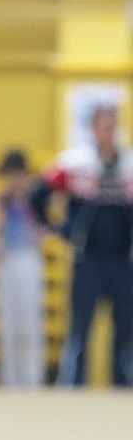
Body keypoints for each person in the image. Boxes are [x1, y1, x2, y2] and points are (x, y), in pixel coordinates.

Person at [32, 105, 133, 387]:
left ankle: (123, 385)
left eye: (112, 126)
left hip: (123, 259)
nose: (108, 132)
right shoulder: (76, 162)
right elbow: (39, 193)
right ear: (93, 129)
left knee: (124, 328)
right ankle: (74, 384)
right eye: (103, 126)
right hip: (87, 258)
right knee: (80, 327)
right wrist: (56, 228)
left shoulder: (128, 165)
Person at [0, 149, 46, 387]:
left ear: (26, 175)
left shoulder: (35, 201)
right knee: (8, 320)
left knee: (30, 320)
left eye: (17, 174)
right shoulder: (1, 202)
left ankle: (33, 376)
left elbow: (43, 232)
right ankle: (9, 377)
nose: (14, 180)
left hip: (28, 258)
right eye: (9, 175)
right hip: (6, 260)